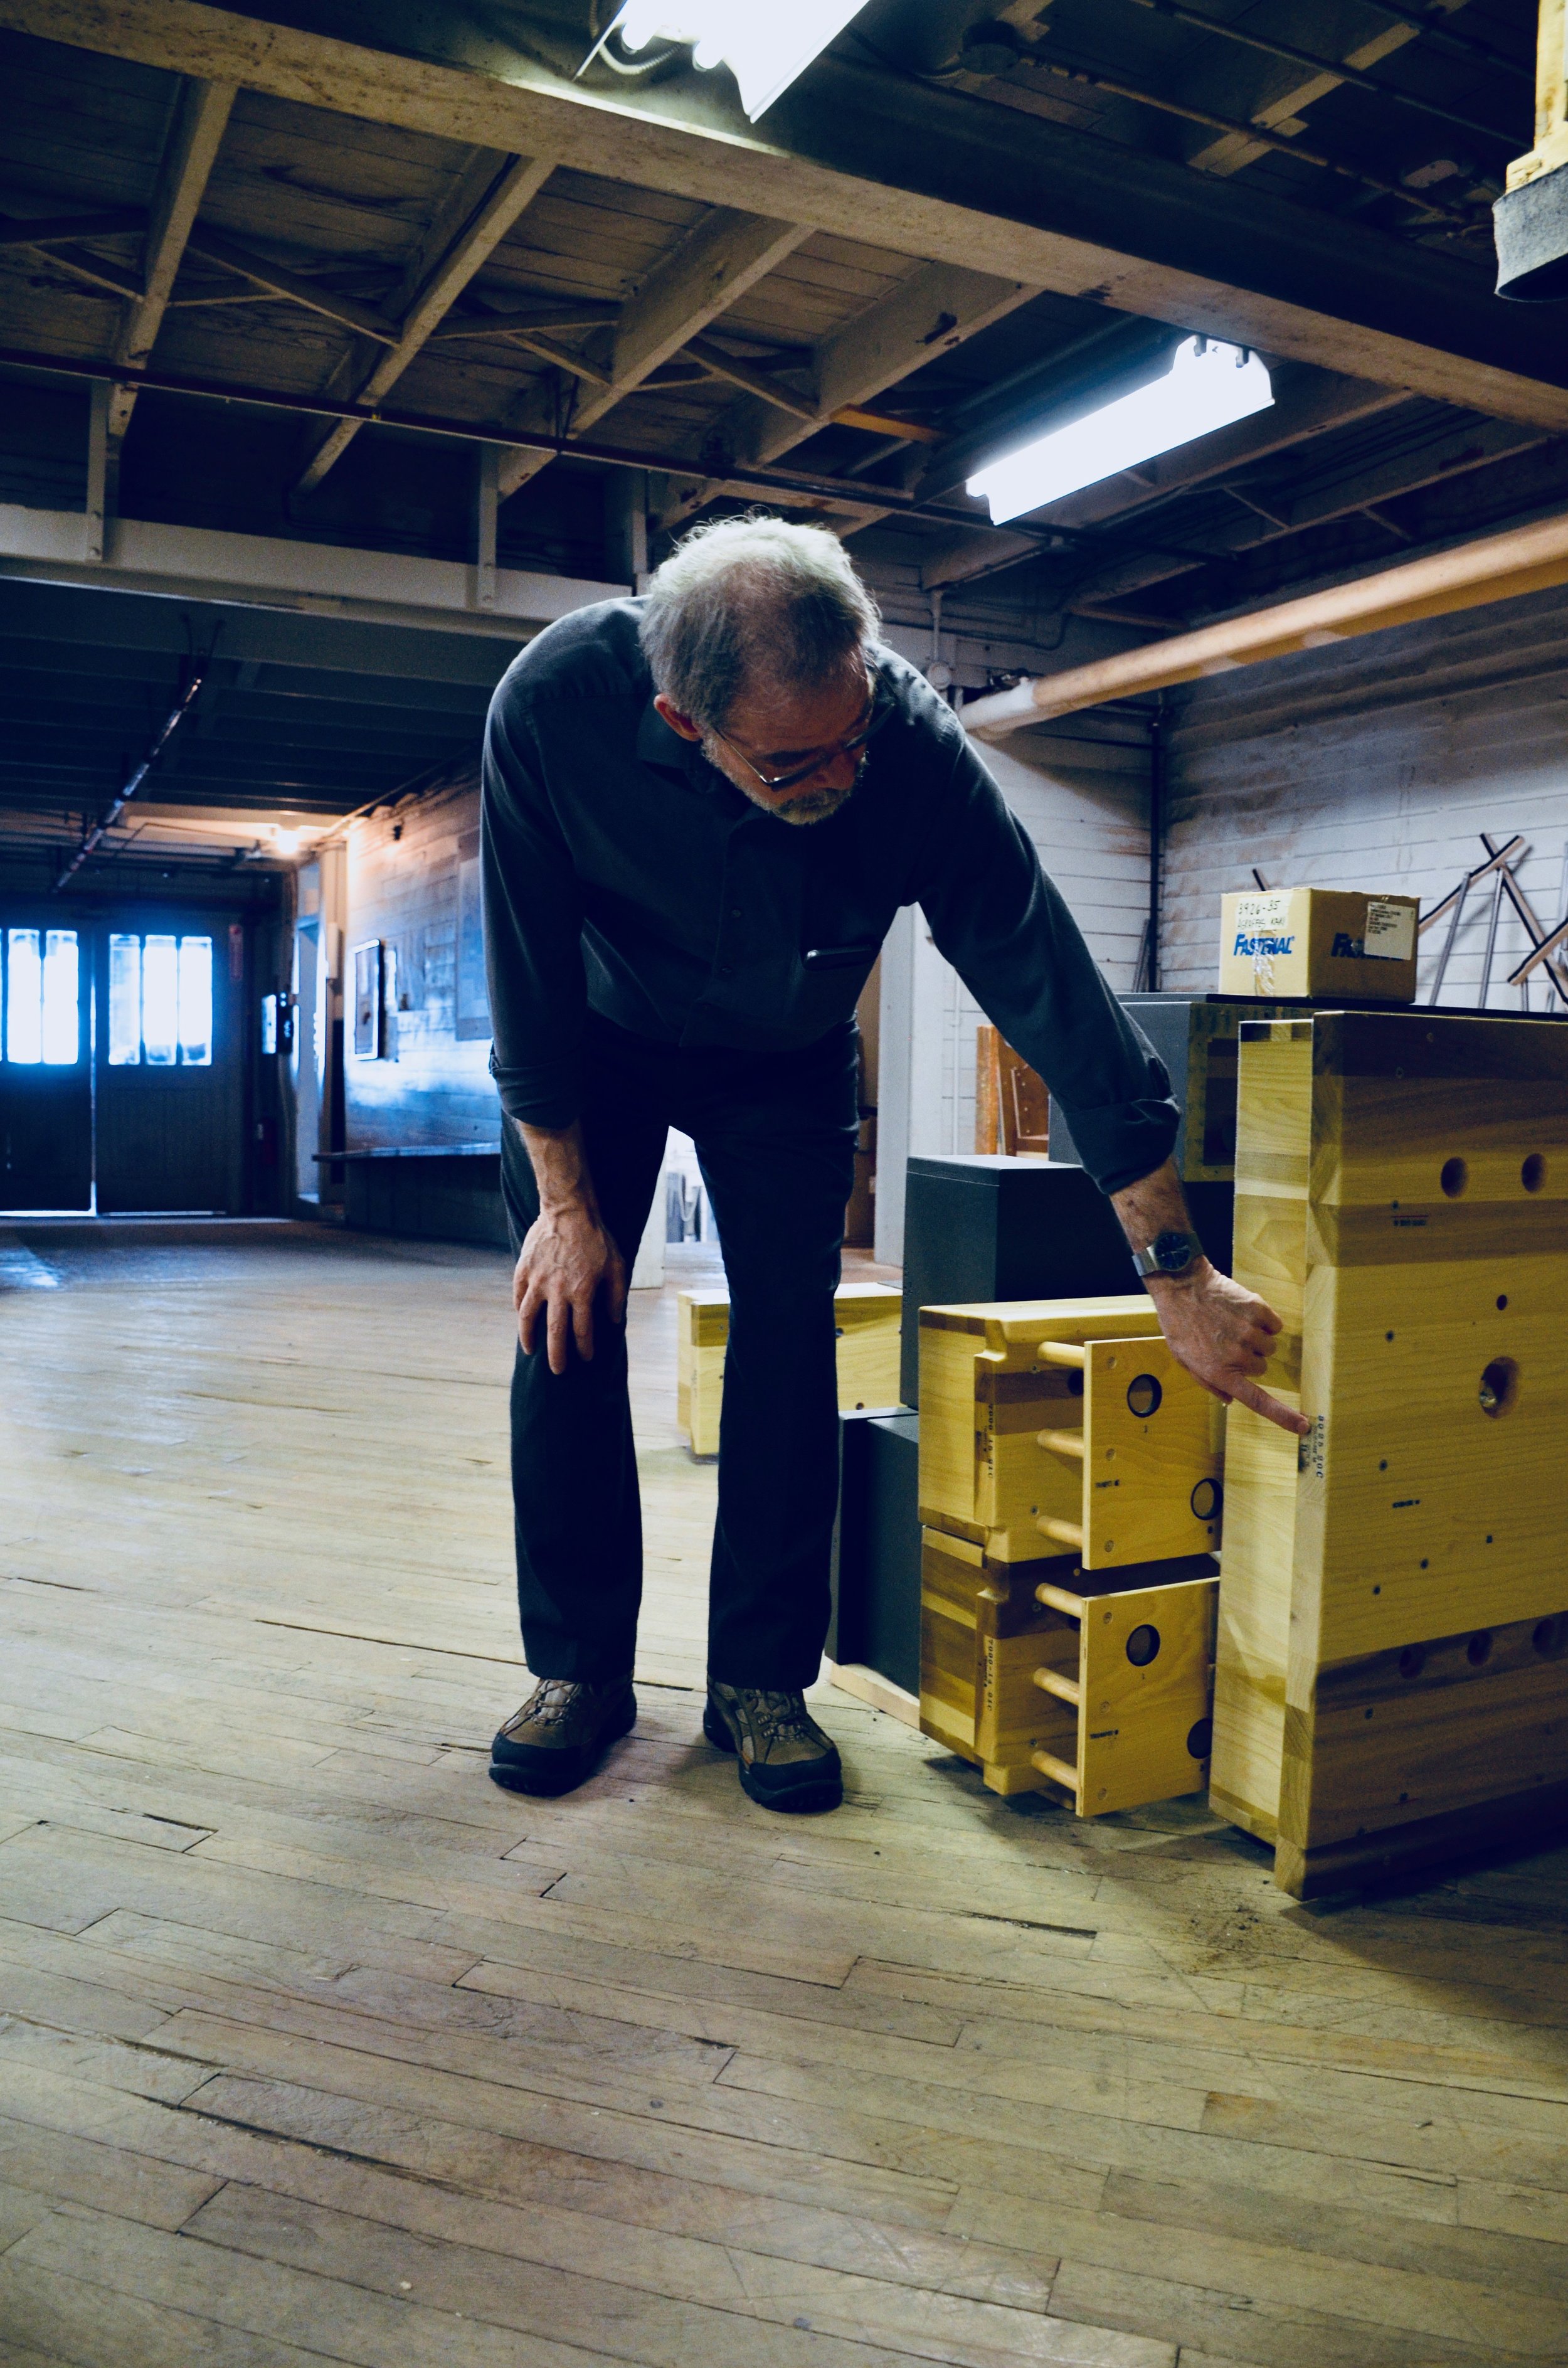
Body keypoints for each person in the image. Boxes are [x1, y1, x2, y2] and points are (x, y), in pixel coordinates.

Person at [480, 514, 1306, 1815]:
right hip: (597, 1050)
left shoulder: (902, 748)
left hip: (788, 1058)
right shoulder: (554, 704)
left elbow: (1049, 987)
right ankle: (576, 1671)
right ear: (685, 721)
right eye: (798, 761)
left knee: (788, 1347)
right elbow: (521, 970)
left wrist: (1175, 1266)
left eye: (854, 732)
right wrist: (568, 1205)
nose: (842, 776)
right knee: (565, 1324)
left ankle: (760, 1683)